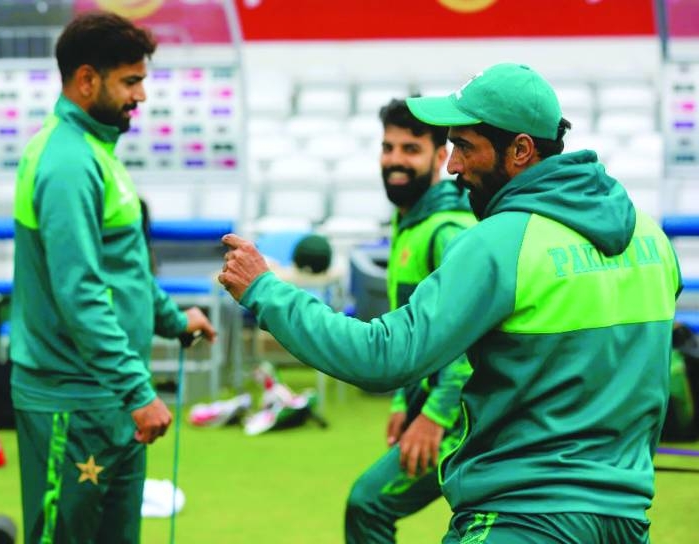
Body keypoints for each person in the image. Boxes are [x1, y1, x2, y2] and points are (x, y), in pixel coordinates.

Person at [219, 63, 681, 543]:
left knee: (367, 504)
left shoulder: (497, 242)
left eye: (464, 146)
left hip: (522, 517)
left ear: (520, 150)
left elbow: (381, 355)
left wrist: (265, 290)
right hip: (626, 519)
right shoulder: (652, 237)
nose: (454, 166)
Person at [9, 11, 216, 544]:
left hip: (110, 397)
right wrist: (137, 389)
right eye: (131, 81)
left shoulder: (95, 153)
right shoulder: (67, 163)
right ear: (86, 80)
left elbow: (124, 270)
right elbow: (79, 292)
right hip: (74, 403)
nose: (141, 96)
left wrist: (172, 319)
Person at [344, 99, 475, 544]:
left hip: (461, 419)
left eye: (410, 149)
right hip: (428, 404)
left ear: (440, 156)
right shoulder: (411, 222)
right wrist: (404, 403)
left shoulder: (449, 231)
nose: (395, 160)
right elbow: (409, 328)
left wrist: (435, 416)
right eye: (388, 147)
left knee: (368, 503)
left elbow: (467, 335)